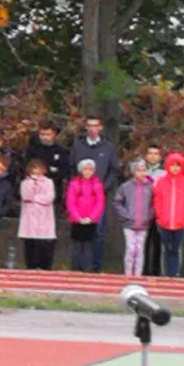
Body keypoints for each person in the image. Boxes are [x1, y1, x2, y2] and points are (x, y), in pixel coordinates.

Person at [69, 116, 118, 272]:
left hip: (98, 200)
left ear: (100, 128)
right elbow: (71, 168)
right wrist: (75, 188)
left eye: (95, 125)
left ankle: (95, 267)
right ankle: (78, 267)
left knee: (98, 234)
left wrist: (103, 188)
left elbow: (114, 170)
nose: (92, 129)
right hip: (79, 199)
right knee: (79, 236)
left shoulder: (108, 148)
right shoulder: (78, 146)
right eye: (89, 126)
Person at [153, 151, 184, 279]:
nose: (175, 168)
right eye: (172, 165)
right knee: (165, 249)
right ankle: (165, 273)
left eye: (178, 165)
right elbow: (158, 200)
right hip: (164, 222)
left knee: (177, 250)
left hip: (180, 222)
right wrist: (160, 216)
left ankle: (176, 273)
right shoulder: (161, 182)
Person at [113, 158, 156, 278]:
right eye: (138, 170)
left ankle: (138, 274)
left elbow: (154, 203)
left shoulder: (150, 187)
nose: (141, 173)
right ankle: (128, 273)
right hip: (128, 224)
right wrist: (126, 215)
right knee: (130, 248)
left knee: (140, 249)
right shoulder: (125, 187)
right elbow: (117, 202)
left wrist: (149, 215)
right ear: (133, 172)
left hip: (143, 223)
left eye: (144, 170)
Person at [65, 158, 106, 272]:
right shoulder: (74, 183)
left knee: (88, 245)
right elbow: (70, 201)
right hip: (77, 220)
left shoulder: (97, 184)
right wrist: (77, 217)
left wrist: (92, 217)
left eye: (90, 169)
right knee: (77, 245)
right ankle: (75, 267)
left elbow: (100, 201)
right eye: (85, 169)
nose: (88, 172)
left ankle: (87, 267)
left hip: (90, 220)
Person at [18, 157, 57, 270]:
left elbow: (49, 198)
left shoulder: (49, 182)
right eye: (33, 169)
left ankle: (45, 266)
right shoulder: (25, 183)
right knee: (30, 243)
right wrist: (32, 184)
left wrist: (35, 198)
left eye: (38, 169)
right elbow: (26, 196)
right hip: (30, 217)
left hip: (44, 216)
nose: (36, 172)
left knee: (44, 243)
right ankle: (31, 266)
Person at [139, 144, 166, 276]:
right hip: (143, 211)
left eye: (156, 153)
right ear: (146, 156)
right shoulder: (141, 171)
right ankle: (142, 271)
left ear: (160, 157)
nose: (153, 156)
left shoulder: (164, 173)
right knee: (143, 243)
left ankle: (156, 272)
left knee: (157, 243)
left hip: (158, 212)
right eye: (150, 153)